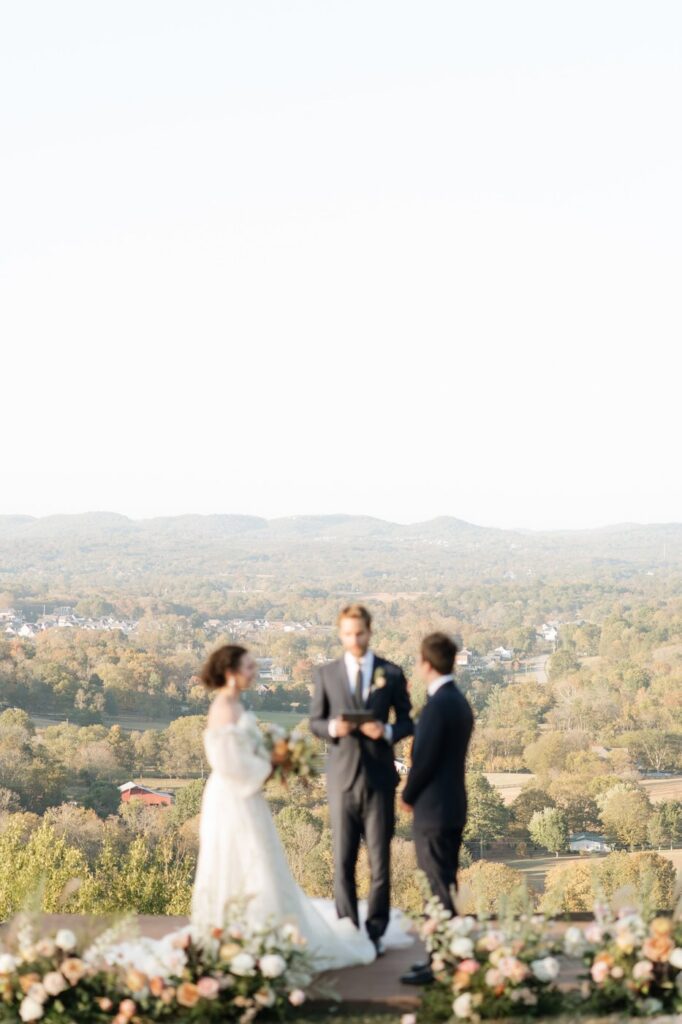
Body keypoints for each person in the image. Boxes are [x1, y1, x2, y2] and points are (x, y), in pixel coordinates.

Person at [190, 643, 411, 972]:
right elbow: (225, 762)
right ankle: (231, 933)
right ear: (231, 672)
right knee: (235, 860)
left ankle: (261, 933)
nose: (256, 672)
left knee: (260, 861)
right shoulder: (223, 707)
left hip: (248, 794)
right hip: (231, 795)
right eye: (250, 667)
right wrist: (270, 765)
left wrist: (274, 762)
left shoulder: (236, 703)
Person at [309, 605, 413, 953]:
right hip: (341, 781)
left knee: (380, 862)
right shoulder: (326, 675)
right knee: (342, 861)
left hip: (380, 779)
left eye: (360, 633)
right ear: (341, 634)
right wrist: (333, 729)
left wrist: (384, 730)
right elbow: (315, 722)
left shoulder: (391, 673)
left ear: (370, 632)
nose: (354, 639)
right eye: (348, 634)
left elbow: (407, 722)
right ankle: (348, 931)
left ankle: (375, 932)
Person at [399, 632, 474, 986]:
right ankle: (438, 956)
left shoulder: (437, 706)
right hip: (453, 804)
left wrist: (408, 794)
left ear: (426, 664)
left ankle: (444, 961)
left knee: (437, 887)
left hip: (434, 808)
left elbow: (423, 759)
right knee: (443, 882)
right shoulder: (459, 702)